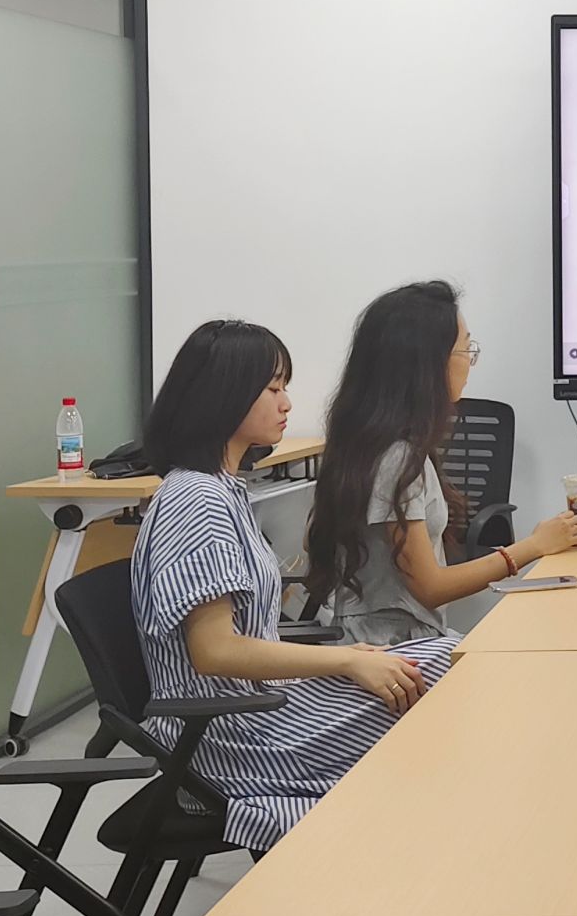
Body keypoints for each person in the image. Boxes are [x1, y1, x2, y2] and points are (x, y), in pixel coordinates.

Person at [130, 319, 459, 853]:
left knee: (448, 659)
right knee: (447, 674)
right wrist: (345, 660)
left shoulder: (220, 489)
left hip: (258, 709)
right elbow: (214, 651)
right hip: (233, 738)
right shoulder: (196, 501)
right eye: (273, 388)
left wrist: (348, 658)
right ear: (224, 395)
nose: (286, 403)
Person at [305, 280, 577, 644]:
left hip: (393, 639)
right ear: (428, 363)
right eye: (465, 348)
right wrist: (533, 546)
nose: (470, 361)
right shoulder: (397, 457)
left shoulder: (372, 442)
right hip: (390, 649)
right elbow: (430, 588)